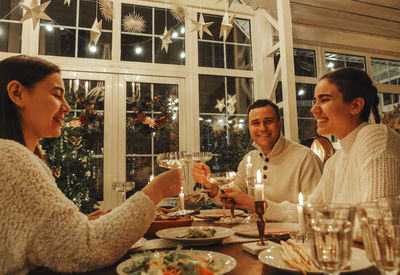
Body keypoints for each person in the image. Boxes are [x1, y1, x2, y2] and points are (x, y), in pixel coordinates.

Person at [0, 55, 183, 275]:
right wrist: (156, 191)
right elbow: (82, 249)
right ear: (17, 93)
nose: (67, 107)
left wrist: (80, 222)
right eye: (57, 95)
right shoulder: (9, 157)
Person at [264, 67, 400, 223]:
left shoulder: (376, 136)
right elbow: (308, 212)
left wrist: (326, 222)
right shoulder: (335, 161)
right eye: (315, 101)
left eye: (324, 100)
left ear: (355, 106)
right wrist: (255, 204)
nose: (314, 109)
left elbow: (377, 220)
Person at [192, 99, 323, 217]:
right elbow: (233, 196)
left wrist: (257, 205)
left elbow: (316, 211)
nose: (262, 128)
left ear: (280, 124)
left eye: (268, 121)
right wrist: (211, 186)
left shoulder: (306, 158)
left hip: (292, 239)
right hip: (252, 235)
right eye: (255, 123)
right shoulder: (250, 159)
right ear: (249, 127)